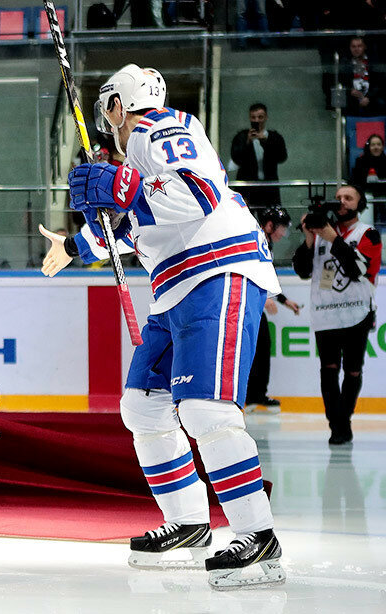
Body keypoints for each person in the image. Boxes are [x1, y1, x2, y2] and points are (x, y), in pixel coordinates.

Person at [39, 64, 285, 590]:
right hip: (174, 287)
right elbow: (132, 228)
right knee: (143, 406)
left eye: (108, 105)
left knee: (206, 411)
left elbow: (199, 197)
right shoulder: (137, 156)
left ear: (117, 104)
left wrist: (122, 185)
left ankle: (257, 536)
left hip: (219, 271)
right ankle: (190, 523)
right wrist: (79, 242)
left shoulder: (162, 128)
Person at [293, 184, 381, 445]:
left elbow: (357, 270)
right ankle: (338, 426)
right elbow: (302, 270)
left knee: (353, 372)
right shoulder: (321, 233)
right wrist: (310, 238)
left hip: (356, 313)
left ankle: (343, 421)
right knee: (328, 370)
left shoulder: (370, 234)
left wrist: (332, 238)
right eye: (339, 197)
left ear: (359, 204)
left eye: (348, 197)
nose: (342, 201)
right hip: (325, 314)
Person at [245, 207, 301, 413]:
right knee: (256, 347)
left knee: (261, 347)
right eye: (282, 228)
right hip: (249, 304)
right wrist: (263, 298)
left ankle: (255, 395)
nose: (284, 233)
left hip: (254, 303)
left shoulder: (265, 242)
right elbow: (250, 272)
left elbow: (268, 278)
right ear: (269, 226)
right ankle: (251, 395)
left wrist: (285, 301)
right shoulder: (256, 241)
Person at [230, 103, 288, 207]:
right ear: (249, 118)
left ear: (266, 117)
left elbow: (282, 157)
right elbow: (236, 159)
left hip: (269, 189)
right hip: (247, 189)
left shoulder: (275, 137)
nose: (257, 120)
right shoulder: (241, 137)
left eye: (260, 117)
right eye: (253, 117)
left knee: (270, 222)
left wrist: (266, 142)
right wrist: (247, 142)